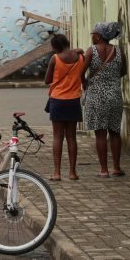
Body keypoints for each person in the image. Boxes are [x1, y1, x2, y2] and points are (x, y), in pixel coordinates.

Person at [83, 21, 126, 177]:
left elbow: (81, 71)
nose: (92, 36)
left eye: (93, 34)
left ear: (99, 36)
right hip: (115, 95)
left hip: (96, 96)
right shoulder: (119, 50)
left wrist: (85, 83)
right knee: (115, 132)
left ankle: (104, 170)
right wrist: (111, 80)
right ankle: (116, 168)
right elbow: (123, 71)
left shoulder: (91, 51)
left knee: (100, 134)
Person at [43, 33, 84, 181]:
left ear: (55, 47)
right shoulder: (80, 57)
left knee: (57, 137)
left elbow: (47, 80)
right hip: (74, 100)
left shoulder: (55, 59)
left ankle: (57, 173)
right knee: (71, 137)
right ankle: (72, 173)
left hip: (58, 100)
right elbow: (82, 75)